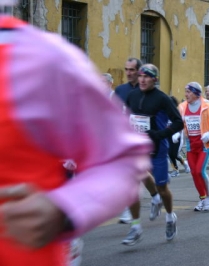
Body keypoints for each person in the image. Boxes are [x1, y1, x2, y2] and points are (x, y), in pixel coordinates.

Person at [0, 14, 152, 265]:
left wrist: (63, 209)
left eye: (133, 72)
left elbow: (121, 157)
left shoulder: (42, 59)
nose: (132, 76)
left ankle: (151, 210)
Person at [126, 63, 183, 242]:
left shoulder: (162, 99)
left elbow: (178, 123)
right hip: (137, 149)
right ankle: (135, 227)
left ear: (154, 79)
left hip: (157, 148)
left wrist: (159, 134)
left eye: (147, 76)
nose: (142, 79)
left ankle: (170, 217)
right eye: (140, 75)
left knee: (162, 187)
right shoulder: (132, 96)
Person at [113, 58, 163, 246]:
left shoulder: (149, 90)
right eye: (126, 70)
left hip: (147, 140)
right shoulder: (121, 91)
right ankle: (155, 197)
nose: (129, 73)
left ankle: (135, 224)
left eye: (133, 70)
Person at [177, 82, 209, 211]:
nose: (186, 94)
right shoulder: (182, 107)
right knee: (194, 173)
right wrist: (177, 134)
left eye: (188, 92)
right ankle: (203, 199)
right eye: (185, 91)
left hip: (205, 143)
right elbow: (180, 124)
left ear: (196, 93)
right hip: (191, 144)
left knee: (200, 170)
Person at [168, 96, 190, 177]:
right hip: (168, 136)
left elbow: (181, 124)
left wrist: (177, 133)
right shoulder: (164, 112)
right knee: (170, 153)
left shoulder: (177, 112)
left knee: (174, 154)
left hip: (177, 136)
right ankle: (175, 170)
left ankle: (184, 164)